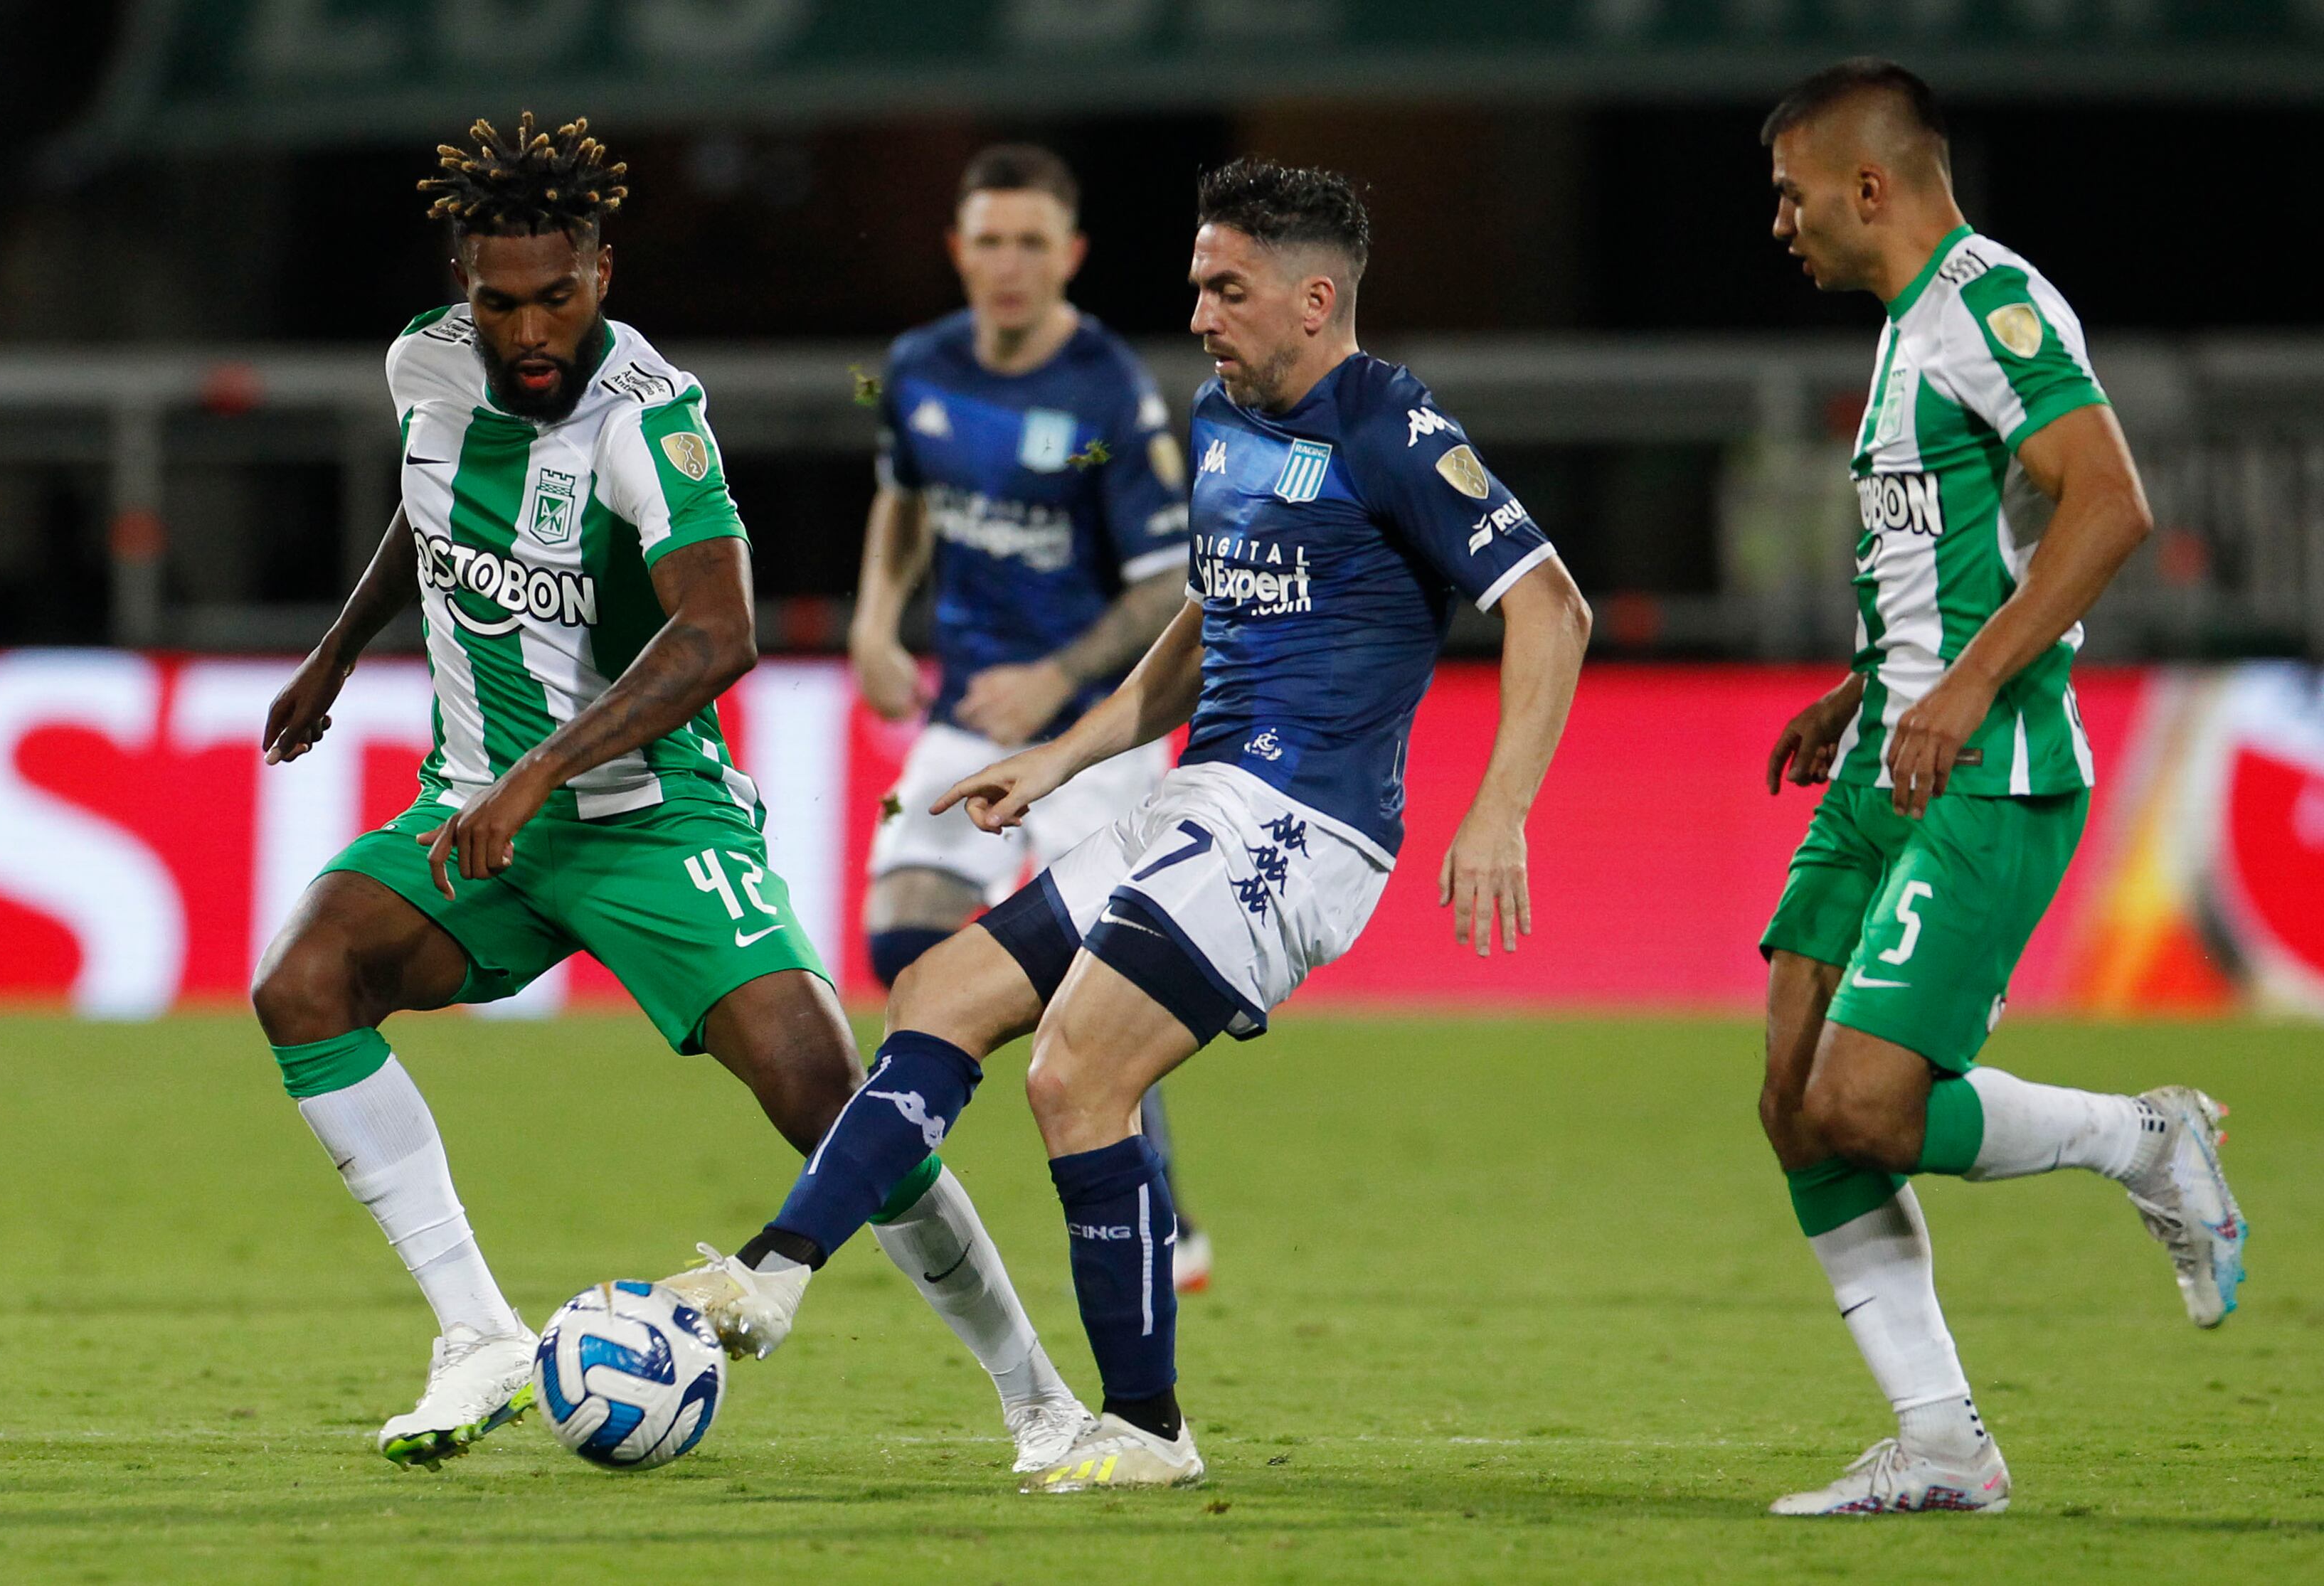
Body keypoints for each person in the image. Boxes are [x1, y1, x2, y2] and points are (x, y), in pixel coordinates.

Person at [662, 157, 1592, 1494]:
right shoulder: (1223, 416)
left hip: (1305, 826)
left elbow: (1550, 606)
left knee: (1075, 1074)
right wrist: (1064, 753)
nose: (1203, 314)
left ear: (1316, 299)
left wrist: (1501, 805)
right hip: (1195, 797)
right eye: (1198, 285)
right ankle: (773, 1275)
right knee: (939, 985)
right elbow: (1205, 622)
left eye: (1230, 289)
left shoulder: (1395, 429)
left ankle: (1147, 1427)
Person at [250, 113, 1088, 1472]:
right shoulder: (424, 362)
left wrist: (539, 771)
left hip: (648, 820)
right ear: (464, 285)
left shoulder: (652, 423)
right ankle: (478, 1337)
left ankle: (1039, 1398)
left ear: (604, 270)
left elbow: (719, 634)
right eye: (499, 300)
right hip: (477, 808)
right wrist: (337, 653)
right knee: (302, 982)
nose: (530, 330)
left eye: (558, 297)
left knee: (832, 1095)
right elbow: (429, 505)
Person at [1751, 60, 2246, 1517]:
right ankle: (1946, 1444)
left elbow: (2108, 500)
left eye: (1789, 196)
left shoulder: (1989, 302)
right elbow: (1952, 555)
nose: (1776, 224)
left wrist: (1965, 685)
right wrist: (1865, 682)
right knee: (1791, 1102)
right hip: (1882, 760)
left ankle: (2147, 1138)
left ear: (1868, 186)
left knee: (1868, 1104)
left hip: (1988, 764)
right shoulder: (1909, 333)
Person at [853, 144, 1216, 1292]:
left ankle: (1158, 1209)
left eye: (1031, 243)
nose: (1008, 264)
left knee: (1097, 979)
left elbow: (1169, 585)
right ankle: (928, 1135)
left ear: (1070, 255)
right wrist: (875, 622)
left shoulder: (1108, 396)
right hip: (969, 711)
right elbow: (904, 501)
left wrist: (1056, 675)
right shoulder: (917, 368)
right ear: (960, 251)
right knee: (902, 928)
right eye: (989, 242)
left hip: (1093, 727)